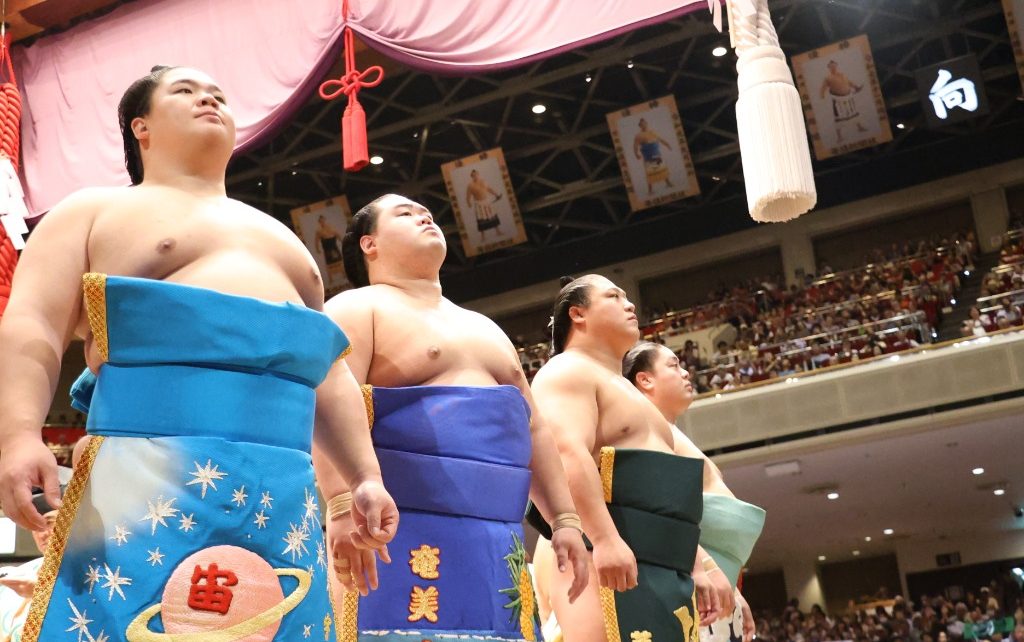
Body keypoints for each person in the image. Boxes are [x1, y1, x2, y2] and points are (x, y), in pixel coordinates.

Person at [0, 65, 396, 642]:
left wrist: (364, 475)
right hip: (142, 475)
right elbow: (31, 321)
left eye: (218, 94)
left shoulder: (284, 240)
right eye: (184, 92)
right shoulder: (91, 211)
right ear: (141, 127)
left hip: (280, 484)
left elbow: (324, 369)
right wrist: (17, 434)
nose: (208, 99)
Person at [314, 193, 588, 641]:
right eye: (405, 214)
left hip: (498, 537)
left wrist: (563, 519)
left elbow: (532, 427)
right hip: (393, 527)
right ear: (369, 244)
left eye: (427, 212)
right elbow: (329, 400)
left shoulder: (486, 327)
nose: (424, 216)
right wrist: (341, 506)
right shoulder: (356, 308)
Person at [529, 275, 706, 642]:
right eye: (614, 296)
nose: (630, 305)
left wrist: (699, 565)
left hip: (664, 564)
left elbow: (670, 498)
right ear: (577, 314)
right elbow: (565, 454)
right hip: (604, 554)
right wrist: (604, 537)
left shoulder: (631, 394)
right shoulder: (567, 370)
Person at [621, 342, 765, 642]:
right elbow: (660, 513)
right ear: (645, 379)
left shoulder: (668, 432)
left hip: (714, 588)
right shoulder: (644, 431)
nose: (686, 372)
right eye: (673, 366)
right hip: (691, 587)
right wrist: (708, 570)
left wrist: (733, 590)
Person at [818, 60, 868, 144]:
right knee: (838, 117)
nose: (833, 67)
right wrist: (822, 96)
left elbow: (849, 82)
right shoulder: (828, 78)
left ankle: (859, 127)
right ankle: (839, 136)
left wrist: (856, 87)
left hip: (848, 97)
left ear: (836, 66)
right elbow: (823, 88)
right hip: (837, 100)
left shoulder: (842, 74)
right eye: (831, 66)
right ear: (829, 68)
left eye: (834, 65)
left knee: (854, 112)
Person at [632, 118, 675, 195]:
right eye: (642, 124)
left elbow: (661, 140)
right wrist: (636, 154)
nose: (644, 125)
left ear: (647, 123)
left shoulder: (653, 132)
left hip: (656, 154)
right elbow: (635, 146)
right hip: (647, 156)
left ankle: (668, 183)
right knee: (649, 172)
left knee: (662, 169)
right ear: (640, 126)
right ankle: (650, 190)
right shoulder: (638, 136)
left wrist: (667, 145)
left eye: (645, 123)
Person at [464, 168, 504, 239]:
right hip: (479, 204)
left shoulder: (483, 181)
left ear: (478, 174)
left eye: (476, 174)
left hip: (487, 201)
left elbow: (489, 189)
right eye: (473, 175)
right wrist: (469, 203)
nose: (475, 176)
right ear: (471, 176)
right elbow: (468, 196)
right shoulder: (470, 186)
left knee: (492, 216)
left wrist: (496, 195)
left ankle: (498, 231)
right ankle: (483, 236)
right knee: (481, 219)